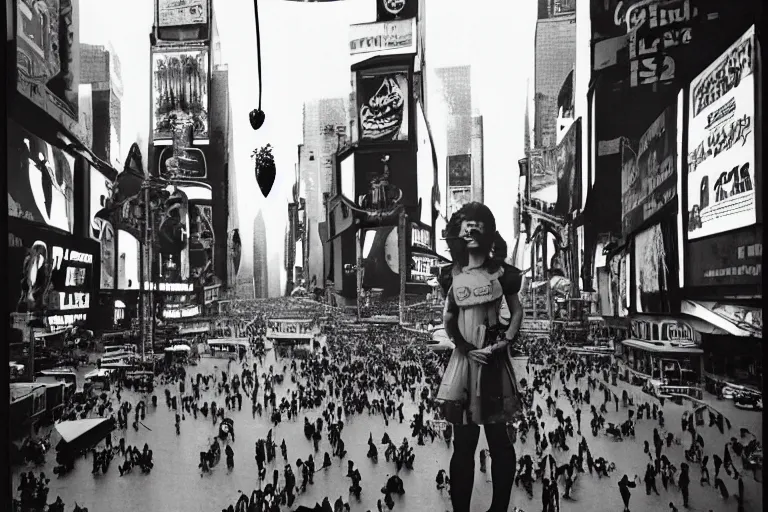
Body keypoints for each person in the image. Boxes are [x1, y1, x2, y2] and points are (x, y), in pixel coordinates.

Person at [435, 203, 526, 512]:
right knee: (463, 445)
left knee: (500, 441)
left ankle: (498, 508)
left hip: (494, 362)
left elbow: (516, 311)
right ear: (456, 234)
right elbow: (448, 317)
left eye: (478, 225)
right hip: (464, 363)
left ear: (489, 232)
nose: (471, 231)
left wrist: (506, 340)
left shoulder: (505, 274)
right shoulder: (449, 275)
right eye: (465, 226)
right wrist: (462, 345)